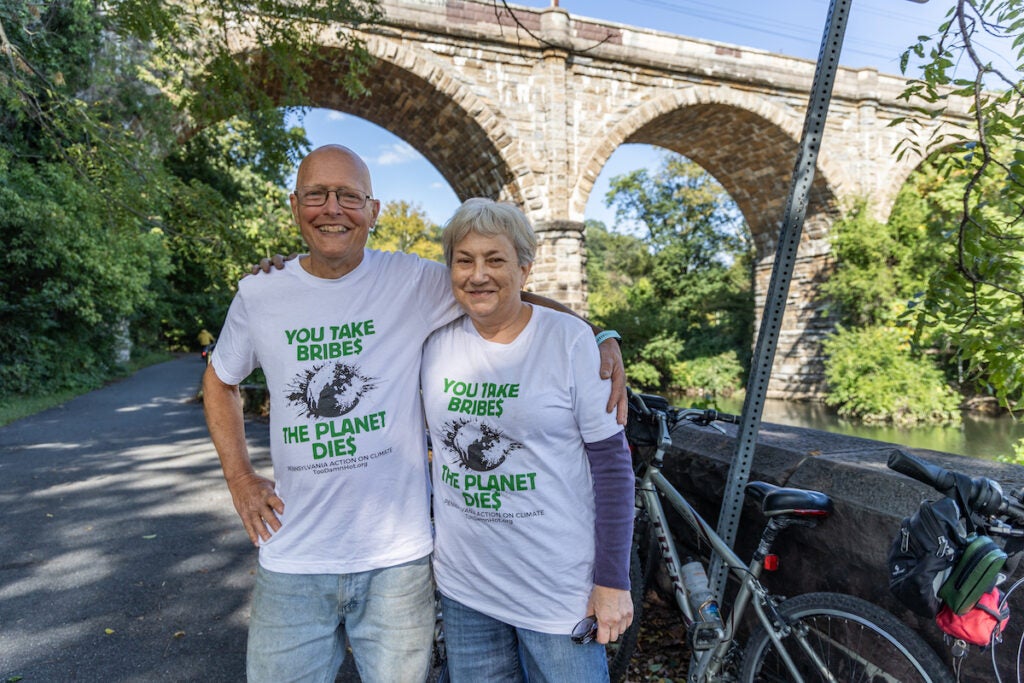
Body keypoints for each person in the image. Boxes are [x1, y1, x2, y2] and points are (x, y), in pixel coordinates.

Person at [202, 144, 626, 683]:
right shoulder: (261, 292)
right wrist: (239, 476)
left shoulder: (415, 280)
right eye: (317, 195)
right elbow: (220, 379)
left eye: (349, 196)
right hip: (295, 555)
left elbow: (510, 292)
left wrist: (600, 335)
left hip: (399, 562)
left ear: (373, 210)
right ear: (294, 205)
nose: (332, 208)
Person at [421, 198, 635, 682]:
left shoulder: (570, 342)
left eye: (495, 260)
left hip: (558, 596)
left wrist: (612, 581)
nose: (478, 275)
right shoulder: (434, 343)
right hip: (466, 591)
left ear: (524, 268)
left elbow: (613, 470)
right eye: (464, 260)